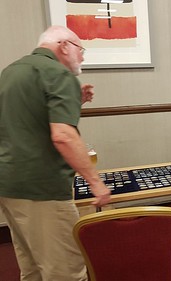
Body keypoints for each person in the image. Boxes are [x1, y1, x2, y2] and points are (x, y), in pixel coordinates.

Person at [0, 26, 111, 280]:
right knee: (65, 271)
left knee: (32, 266)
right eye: (80, 50)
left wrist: (74, 101)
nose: (82, 57)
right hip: (42, 188)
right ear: (64, 46)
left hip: (9, 185)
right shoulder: (58, 74)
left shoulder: (12, 71)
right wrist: (96, 183)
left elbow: (24, 120)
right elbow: (62, 136)